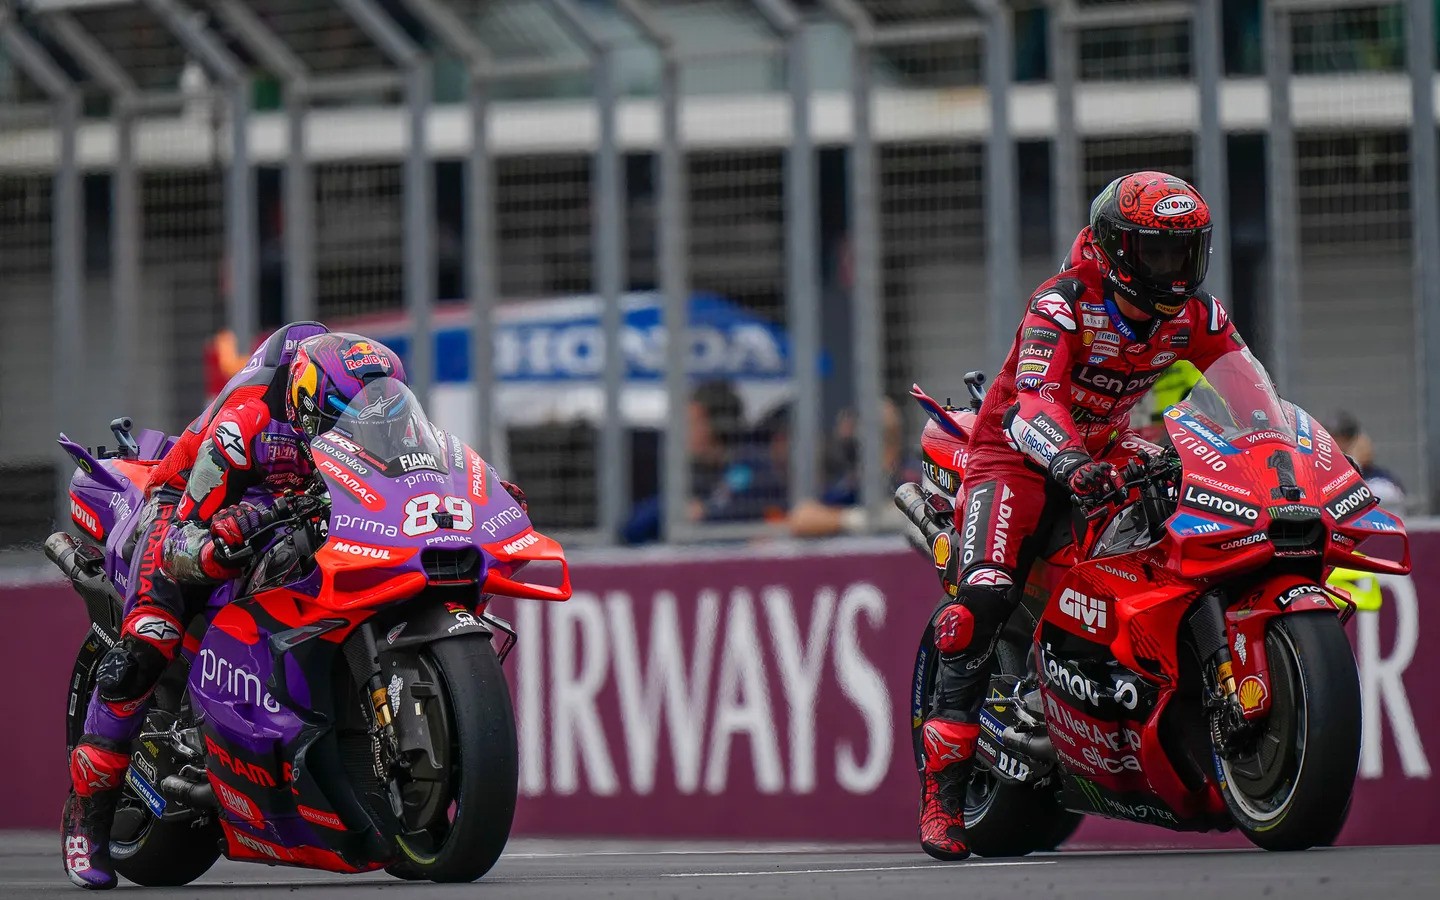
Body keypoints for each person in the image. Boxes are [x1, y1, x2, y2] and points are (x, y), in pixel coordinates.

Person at [62, 327, 524, 889]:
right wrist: (219, 538)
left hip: (304, 503)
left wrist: (490, 493)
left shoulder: (383, 415)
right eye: (348, 417)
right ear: (306, 407)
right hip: (191, 502)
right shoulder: (245, 423)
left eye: (381, 413)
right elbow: (187, 533)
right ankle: (88, 818)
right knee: (151, 636)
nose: (369, 423)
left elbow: (428, 470)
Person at [918, 172, 1253, 861]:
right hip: (1014, 456)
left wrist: (1268, 449)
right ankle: (942, 794)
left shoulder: (1197, 316)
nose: (1174, 270)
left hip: (1106, 447)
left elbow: (1250, 392)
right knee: (983, 593)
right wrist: (1069, 463)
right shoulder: (1063, 304)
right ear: (1117, 249)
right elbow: (1032, 405)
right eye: (1158, 253)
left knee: (1181, 531)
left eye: (1186, 253)